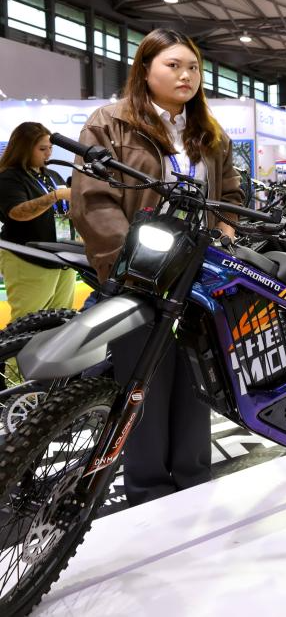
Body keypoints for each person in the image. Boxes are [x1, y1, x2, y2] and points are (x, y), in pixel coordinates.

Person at [71, 28, 242, 506]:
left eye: (193, 67)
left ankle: (193, 479)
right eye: (173, 65)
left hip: (198, 277)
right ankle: (147, 490)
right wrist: (127, 262)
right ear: (145, 69)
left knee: (198, 381)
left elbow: (231, 194)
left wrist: (224, 234)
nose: (186, 75)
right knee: (141, 384)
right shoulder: (109, 123)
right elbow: (92, 200)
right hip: (140, 277)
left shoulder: (208, 131)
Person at [0, 123, 77, 382]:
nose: (49, 153)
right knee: (25, 324)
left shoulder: (51, 175)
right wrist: (54, 197)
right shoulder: (9, 177)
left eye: (50, 148)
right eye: (42, 149)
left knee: (59, 324)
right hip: (27, 258)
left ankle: (48, 385)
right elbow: (17, 213)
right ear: (24, 148)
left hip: (61, 258)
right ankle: (14, 387)